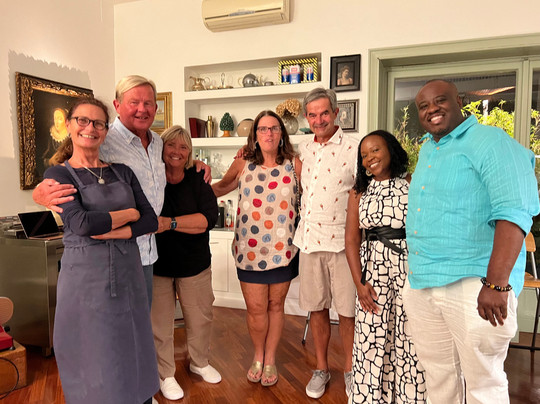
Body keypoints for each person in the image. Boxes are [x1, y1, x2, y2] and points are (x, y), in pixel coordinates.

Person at [403, 79, 540, 403]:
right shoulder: (429, 148)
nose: (432, 109)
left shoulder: (490, 141)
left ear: (460, 101)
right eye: (423, 106)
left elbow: (514, 212)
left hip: (474, 284)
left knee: (483, 384)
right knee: (438, 376)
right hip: (423, 282)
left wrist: (496, 284)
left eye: (440, 100)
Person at [33, 75, 211, 311]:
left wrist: (195, 163)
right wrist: (39, 192)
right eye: (134, 102)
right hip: (110, 254)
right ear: (117, 105)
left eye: (148, 103)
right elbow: (67, 167)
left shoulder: (157, 143)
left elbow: (175, 161)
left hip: (149, 253)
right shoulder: (103, 139)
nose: (142, 109)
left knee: (141, 324)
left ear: (156, 108)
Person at [44, 98, 159, 404]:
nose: (90, 128)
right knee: (94, 354)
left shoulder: (123, 172)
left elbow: (150, 220)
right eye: (82, 120)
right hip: (85, 282)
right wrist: (129, 214)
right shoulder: (59, 175)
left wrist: (115, 228)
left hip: (129, 277)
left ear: (106, 131)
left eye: (98, 123)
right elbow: (82, 224)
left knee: (133, 348)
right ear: (70, 126)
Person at [212, 110, 301, 388]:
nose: (268, 133)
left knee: (276, 306)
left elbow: (313, 195)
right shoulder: (243, 163)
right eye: (263, 129)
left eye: (274, 128)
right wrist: (192, 179)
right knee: (256, 308)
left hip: (283, 250)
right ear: (255, 135)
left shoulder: (295, 164)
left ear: (281, 133)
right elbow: (221, 188)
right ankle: (258, 355)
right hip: (249, 250)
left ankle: (270, 359)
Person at [344, 130, 427, 403]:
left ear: (391, 150)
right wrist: (359, 283)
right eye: (364, 155)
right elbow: (351, 239)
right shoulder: (358, 192)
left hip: (407, 268)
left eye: (375, 150)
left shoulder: (411, 183)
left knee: (408, 335)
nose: (370, 158)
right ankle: (369, 397)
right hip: (372, 270)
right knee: (371, 335)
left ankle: (408, 397)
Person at [294, 87, 358, 399]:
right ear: (306, 118)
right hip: (309, 242)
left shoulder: (355, 147)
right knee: (317, 309)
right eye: (312, 115)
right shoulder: (303, 149)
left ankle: (351, 370)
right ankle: (321, 368)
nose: (318, 120)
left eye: (324, 113)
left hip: (344, 245)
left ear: (335, 113)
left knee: (347, 312)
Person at [152, 126, 221, 401]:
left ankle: (199, 363)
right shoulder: (152, 175)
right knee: (160, 325)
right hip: (157, 264)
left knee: (200, 318)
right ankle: (165, 375)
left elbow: (207, 220)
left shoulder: (198, 177)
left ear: (190, 152)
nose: (177, 152)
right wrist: (183, 223)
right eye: (171, 145)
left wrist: (169, 223)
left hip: (194, 264)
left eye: (183, 147)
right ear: (161, 148)